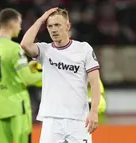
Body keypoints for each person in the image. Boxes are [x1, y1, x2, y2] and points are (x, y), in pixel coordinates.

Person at [20, 8, 101, 143]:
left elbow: (95, 83)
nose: (53, 29)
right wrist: (41, 19)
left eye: (57, 25)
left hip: (78, 119)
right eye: (50, 26)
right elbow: (24, 44)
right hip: (51, 119)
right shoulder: (45, 50)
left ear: (68, 26)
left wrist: (94, 112)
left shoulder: (83, 49)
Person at [0, 8, 42, 143]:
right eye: (19, 23)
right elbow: (27, 79)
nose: (20, 28)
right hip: (17, 107)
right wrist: (49, 74)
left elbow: (4, 70)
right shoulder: (14, 48)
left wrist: (27, 67)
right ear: (12, 23)